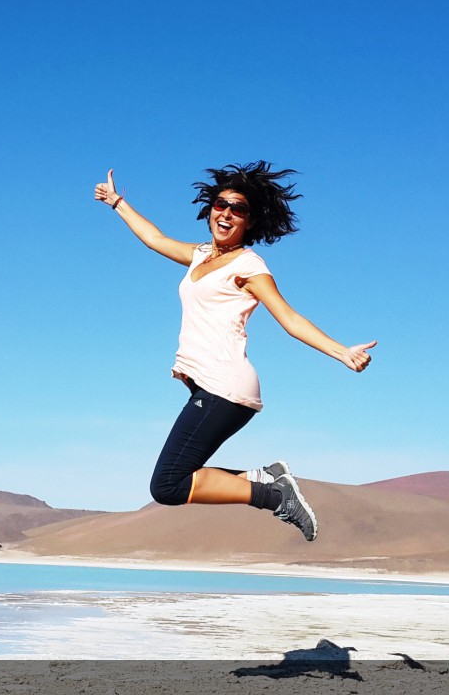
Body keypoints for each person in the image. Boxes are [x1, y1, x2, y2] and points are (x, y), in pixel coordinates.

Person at [93, 161, 376, 541]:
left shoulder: (248, 264)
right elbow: (155, 240)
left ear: (250, 221)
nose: (226, 214)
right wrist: (116, 202)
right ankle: (268, 480)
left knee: (167, 486)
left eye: (238, 209)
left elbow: (288, 318)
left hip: (224, 386)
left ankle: (273, 494)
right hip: (209, 388)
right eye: (221, 204)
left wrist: (341, 352)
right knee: (177, 478)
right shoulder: (201, 255)